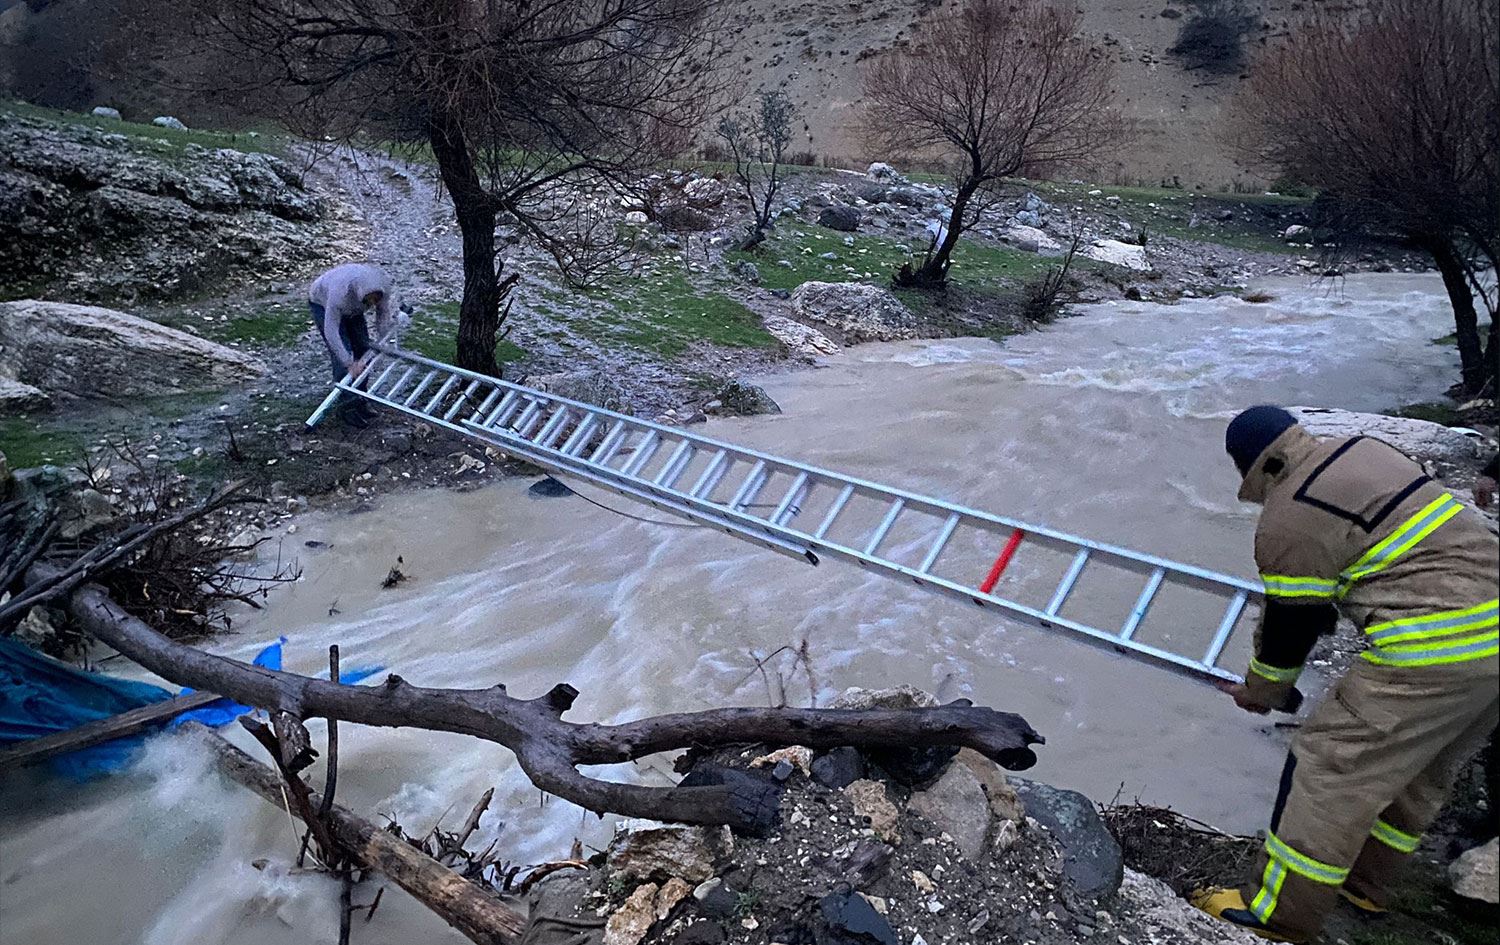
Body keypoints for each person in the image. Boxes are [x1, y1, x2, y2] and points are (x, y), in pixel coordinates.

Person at [1194, 406, 1498, 943]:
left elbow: (1295, 622)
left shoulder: (1288, 515)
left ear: (1255, 469)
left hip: (1431, 651)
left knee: (1328, 768)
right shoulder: (1364, 450)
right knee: (1418, 768)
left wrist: (1263, 691)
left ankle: (1276, 915)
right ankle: (1365, 885)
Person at [308, 262, 398, 427]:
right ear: (361, 294)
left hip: (354, 308)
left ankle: (360, 400)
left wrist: (383, 338)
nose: (372, 303)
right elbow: (332, 332)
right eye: (369, 300)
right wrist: (348, 363)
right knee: (344, 354)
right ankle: (347, 408)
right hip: (322, 302)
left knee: (364, 351)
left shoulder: (383, 287)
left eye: (375, 300)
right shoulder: (339, 294)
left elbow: (382, 314)